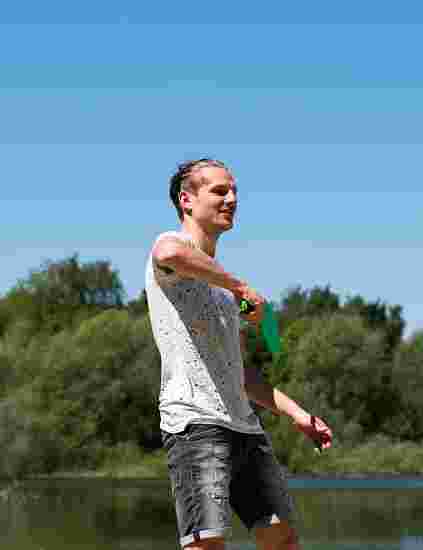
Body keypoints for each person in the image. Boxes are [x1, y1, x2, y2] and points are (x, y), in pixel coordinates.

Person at [145, 158, 333, 550]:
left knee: (282, 540)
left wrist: (299, 415)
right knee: (206, 545)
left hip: (245, 429)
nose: (231, 199)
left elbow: (239, 372)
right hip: (195, 423)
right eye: (219, 191)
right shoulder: (174, 250)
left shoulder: (221, 290)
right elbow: (167, 252)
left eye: (234, 192)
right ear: (187, 200)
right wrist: (241, 287)